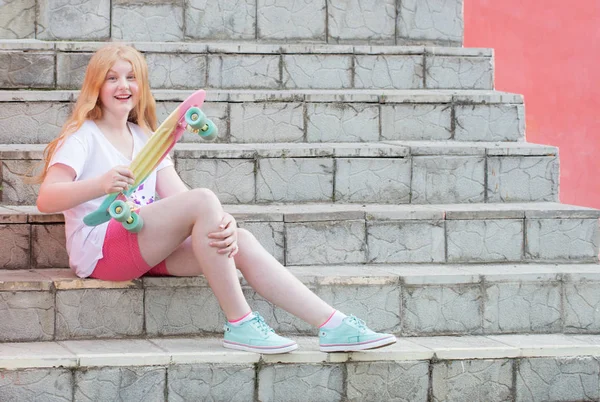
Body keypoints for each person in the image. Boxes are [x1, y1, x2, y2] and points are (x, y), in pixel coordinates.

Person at [35, 44, 396, 354]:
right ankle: (240, 323)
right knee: (204, 199)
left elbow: (179, 198)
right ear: (96, 87)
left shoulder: (146, 138)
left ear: (141, 86)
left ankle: (333, 324)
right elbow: (47, 199)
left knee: (238, 237)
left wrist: (220, 223)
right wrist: (100, 184)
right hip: (100, 252)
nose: (123, 85)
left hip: (143, 246)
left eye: (131, 77)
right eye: (112, 78)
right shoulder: (82, 137)